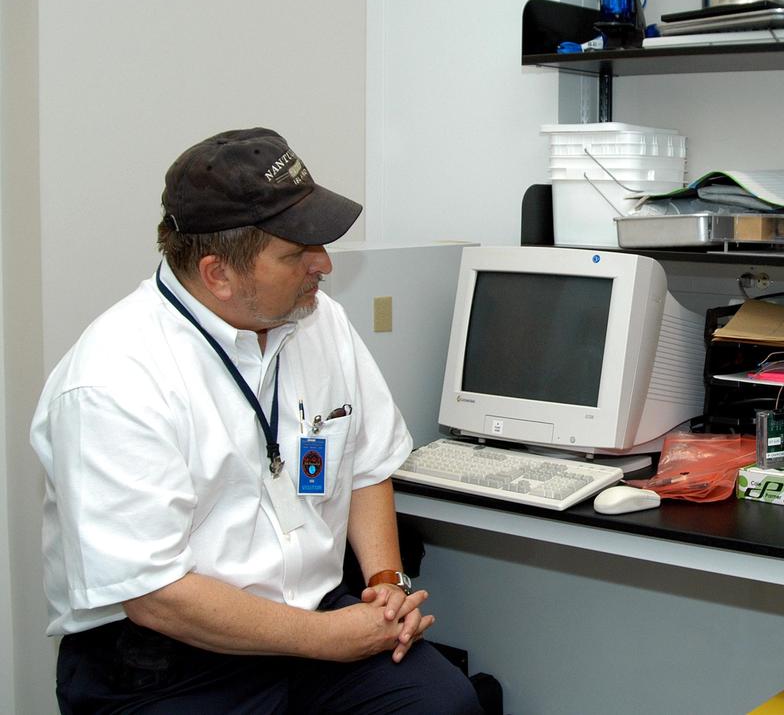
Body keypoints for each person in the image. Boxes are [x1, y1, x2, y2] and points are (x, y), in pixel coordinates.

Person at [31, 128, 483, 713]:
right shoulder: (111, 382)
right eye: (297, 254)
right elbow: (155, 597)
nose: (323, 265)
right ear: (219, 274)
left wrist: (385, 584)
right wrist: (326, 639)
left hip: (315, 620)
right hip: (165, 660)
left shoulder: (320, 322)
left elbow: (367, 465)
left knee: (443, 703)